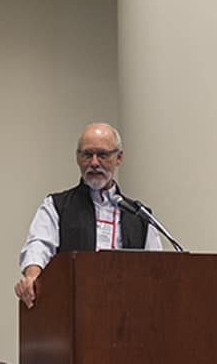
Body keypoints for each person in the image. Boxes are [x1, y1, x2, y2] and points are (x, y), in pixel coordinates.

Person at [14, 122, 163, 308]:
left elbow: (158, 268)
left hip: (129, 312)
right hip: (72, 311)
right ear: (77, 158)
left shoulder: (139, 216)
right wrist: (32, 276)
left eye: (102, 155)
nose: (94, 163)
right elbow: (38, 245)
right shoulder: (57, 206)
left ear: (119, 157)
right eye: (87, 155)